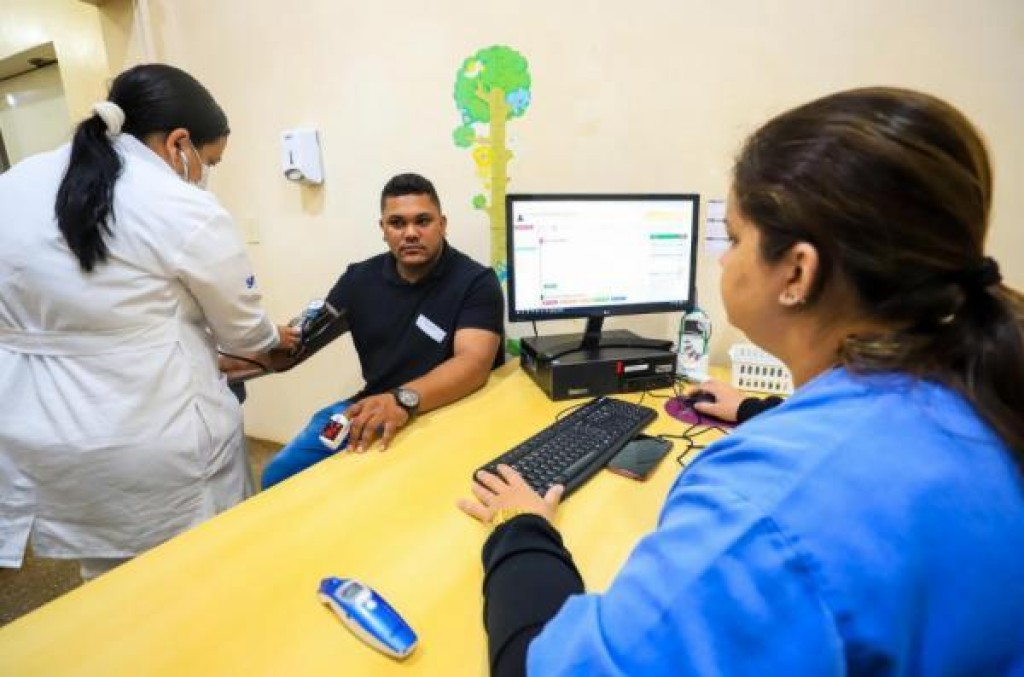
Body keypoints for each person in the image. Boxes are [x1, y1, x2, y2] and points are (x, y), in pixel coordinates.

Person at [459, 87, 1024, 675]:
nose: (724, 260)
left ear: (797, 272)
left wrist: (522, 528)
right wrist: (758, 409)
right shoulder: (983, 393)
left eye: (733, 238)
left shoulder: (759, 505)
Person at [0, 64, 297, 580]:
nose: (204, 174)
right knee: (207, 573)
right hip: (155, 440)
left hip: (46, 437)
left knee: (110, 582)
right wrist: (272, 339)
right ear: (179, 142)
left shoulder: (17, 183)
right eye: (209, 160)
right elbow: (245, 332)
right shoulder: (180, 205)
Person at [260, 173, 504, 488]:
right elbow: (298, 344)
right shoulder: (359, 279)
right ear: (383, 229)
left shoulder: (476, 282)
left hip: (444, 409)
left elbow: (472, 364)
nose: (411, 233)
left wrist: (402, 400)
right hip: (372, 408)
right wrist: (245, 354)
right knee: (279, 474)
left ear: (442, 224)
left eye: (423, 221)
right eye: (398, 223)